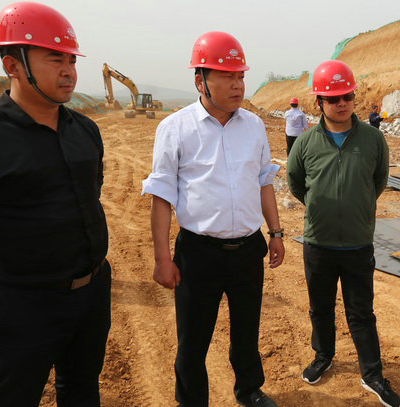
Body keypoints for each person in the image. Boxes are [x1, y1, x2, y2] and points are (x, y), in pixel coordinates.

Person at [0, 2, 111, 405]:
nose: (69, 71)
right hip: (23, 304)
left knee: (82, 388)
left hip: (92, 292)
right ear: (13, 65)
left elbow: (91, 194)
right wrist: (7, 264)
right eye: (55, 59)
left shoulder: (84, 130)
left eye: (71, 60)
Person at [141, 31, 285, 407]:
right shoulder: (175, 129)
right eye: (227, 76)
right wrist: (162, 258)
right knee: (193, 337)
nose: (237, 85)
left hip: (247, 249)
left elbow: (264, 182)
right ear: (200, 81)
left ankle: (249, 390)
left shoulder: (253, 126)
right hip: (198, 252)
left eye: (240, 76)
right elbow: (161, 197)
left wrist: (276, 232)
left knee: (246, 330)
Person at [287, 60, 400, 407]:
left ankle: (372, 373)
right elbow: (296, 183)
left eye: (347, 96)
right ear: (319, 102)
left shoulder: (373, 139)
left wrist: (357, 206)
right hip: (318, 242)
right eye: (333, 98)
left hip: (357, 243)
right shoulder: (305, 143)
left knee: (361, 312)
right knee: (320, 307)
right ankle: (323, 356)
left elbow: (378, 181)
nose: (342, 103)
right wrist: (320, 206)